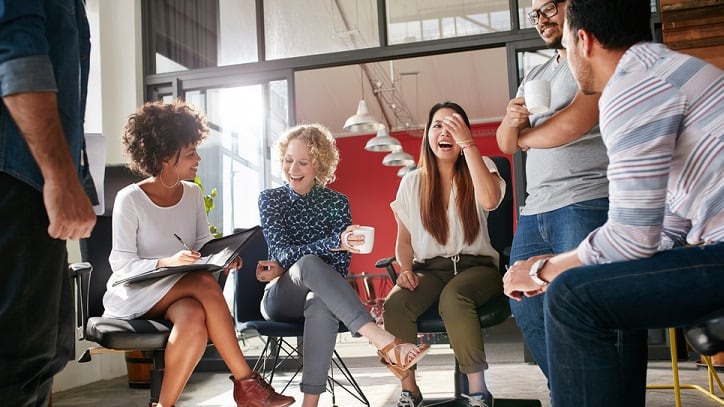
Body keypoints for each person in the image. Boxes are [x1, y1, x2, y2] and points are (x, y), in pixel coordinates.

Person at [503, 0, 724, 406]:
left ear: (583, 41)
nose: (565, 58)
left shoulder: (631, 87)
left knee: (571, 295)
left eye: (566, 46)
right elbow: (667, 226)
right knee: (576, 284)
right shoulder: (671, 68)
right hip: (713, 248)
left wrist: (542, 269)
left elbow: (630, 241)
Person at [103, 101, 294, 407]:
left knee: (192, 318)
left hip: (178, 293)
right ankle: (247, 385)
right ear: (166, 156)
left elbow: (204, 244)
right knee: (204, 284)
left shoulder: (192, 192)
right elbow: (121, 264)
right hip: (135, 292)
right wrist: (167, 261)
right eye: (190, 153)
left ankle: (162, 405)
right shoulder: (130, 199)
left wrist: (223, 257)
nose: (198, 159)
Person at [495, 0, 623, 385]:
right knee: (527, 309)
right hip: (536, 209)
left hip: (586, 198)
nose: (540, 19)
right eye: (534, 14)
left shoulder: (589, 57)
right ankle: (569, 389)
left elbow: (575, 123)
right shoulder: (535, 73)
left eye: (548, 7)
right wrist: (510, 123)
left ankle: (600, 393)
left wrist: (526, 139)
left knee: (584, 302)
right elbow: (505, 143)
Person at [257, 123, 430, 407]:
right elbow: (282, 253)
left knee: (321, 302)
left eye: (303, 162)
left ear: (319, 165)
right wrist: (333, 242)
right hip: (280, 297)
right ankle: (384, 341)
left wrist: (325, 251)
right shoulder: (271, 199)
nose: (293, 169)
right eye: (288, 160)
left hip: (319, 296)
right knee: (309, 262)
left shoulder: (338, 203)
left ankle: (309, 404)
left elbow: (338, 270)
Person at [0, 1, 98, 405]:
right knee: (20, 361)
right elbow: (16, 52)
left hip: (29, 182)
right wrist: (59, 177)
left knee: (41, 355)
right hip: (19, 180)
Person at [383, 102, 507, 407]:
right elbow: (404, 240)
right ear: (427, 135)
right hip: (430, 270)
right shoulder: (411, 183)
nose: (444, 131)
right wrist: (406, 268)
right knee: (395, 304)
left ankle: (478, 393)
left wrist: (469, 146)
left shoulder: (483, 166)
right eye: (437, 125)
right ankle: (409, 389)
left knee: (455, 298)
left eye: (453, 125)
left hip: (477, 268)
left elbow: (491, 200)